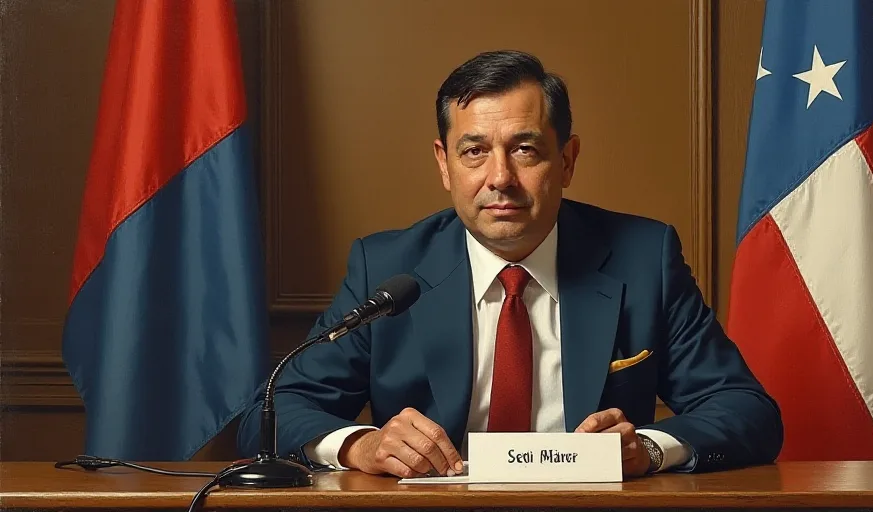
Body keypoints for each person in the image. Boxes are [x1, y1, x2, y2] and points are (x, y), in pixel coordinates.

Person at [237, 50, 783, 478]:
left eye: (525, 149)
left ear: (566, 160)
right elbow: (275, 411)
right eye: (474, 151)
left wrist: (648, 448)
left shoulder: (644, 258)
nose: (500, 178)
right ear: (444, 164)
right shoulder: (387, 266)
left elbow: (746, 410)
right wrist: (363, 445)